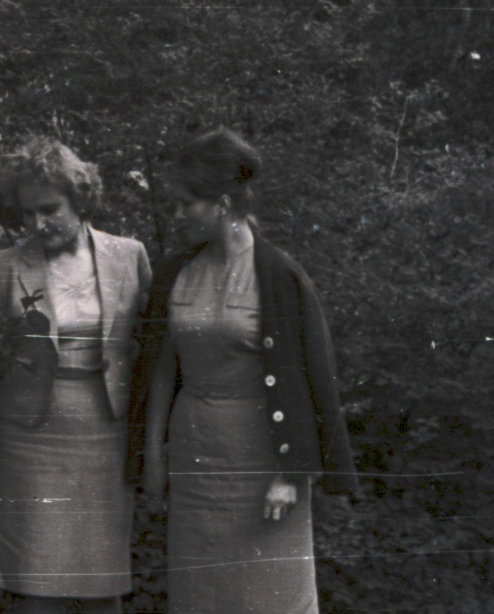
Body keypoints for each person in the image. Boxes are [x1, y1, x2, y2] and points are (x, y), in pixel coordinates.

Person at [131, 128, 357, 614]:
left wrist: (291, 476)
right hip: (195, 465)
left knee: (270, 596)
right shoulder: (176, 273)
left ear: (225, 203)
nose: (177, 215)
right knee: (200, 595)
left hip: (262, 467)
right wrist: (151, 453)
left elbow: (308, 381)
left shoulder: (279, 276)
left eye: (188, 203)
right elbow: (161, 371)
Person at [0, 137, 153, 613]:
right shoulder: (5, 266)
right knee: (36, 580)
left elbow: (151, 347)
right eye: (26, 213)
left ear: (79, 198)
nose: (37, 224)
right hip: (31, 438)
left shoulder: (129, 256)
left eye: (49, 209)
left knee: (103, 580)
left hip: (105, 431)